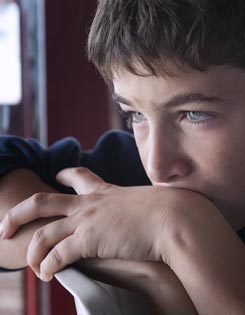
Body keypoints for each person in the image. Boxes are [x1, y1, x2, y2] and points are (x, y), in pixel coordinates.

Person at [0, 0, 245, 314]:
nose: (156, 165)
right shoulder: (128, 173)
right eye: (135, 115)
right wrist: (148, 271)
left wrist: (181, 226)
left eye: (195, 114)